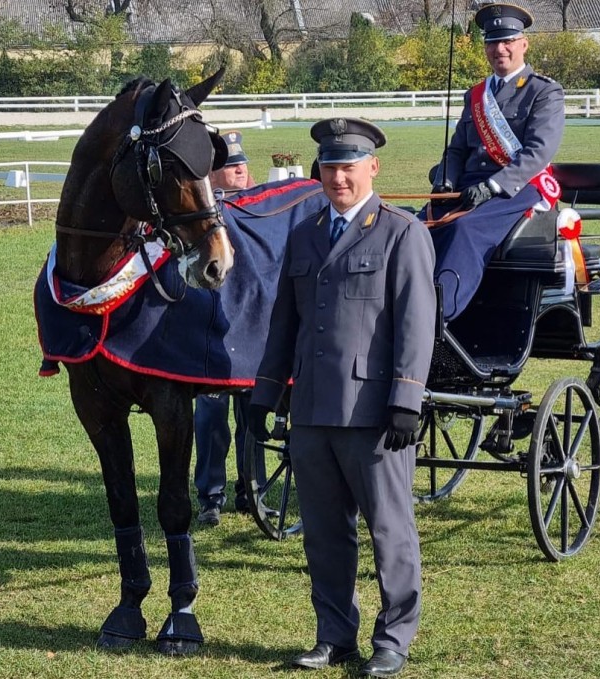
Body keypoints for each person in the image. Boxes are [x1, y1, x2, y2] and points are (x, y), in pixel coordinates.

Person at [249, 117, 436, 677]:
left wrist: (406, 399)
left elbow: (416, 322)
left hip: (373, 413)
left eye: (349, 167)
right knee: (325, 535)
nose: (339, 178)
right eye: (330, 167)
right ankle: (334, 635)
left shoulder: (401, 232)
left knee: (389, 531)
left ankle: (393, 640)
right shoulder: (304, 234)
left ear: (372, 167)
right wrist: (264, 393)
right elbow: (284, 321)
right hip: (311, 410)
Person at [427, 3, 565, 321]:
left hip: (516, 187)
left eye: (507, 41)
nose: (500, 49)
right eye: (492, 42)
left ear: (523, 44)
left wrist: (492, 186)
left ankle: (440, 312)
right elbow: (457, 150)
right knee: (418, 226)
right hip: (468, 186)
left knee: (464, 228)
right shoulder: (476, 95)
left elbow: (538, 153)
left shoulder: (544, 92)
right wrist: (444, 180)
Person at [194, 130, 259, 525]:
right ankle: (210, 496)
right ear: (211, 177)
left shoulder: (258, 209)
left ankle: (251, 490)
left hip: (249, 325)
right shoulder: (202, 218)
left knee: (253, 418)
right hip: (213, 331)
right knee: (210, 418)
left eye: (241, 164)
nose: (239, 170)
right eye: (229, 166)